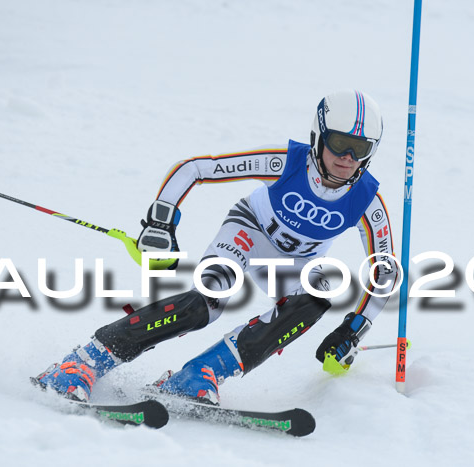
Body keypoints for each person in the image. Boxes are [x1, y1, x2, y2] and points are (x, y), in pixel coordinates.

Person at [33, 90, 397, 404]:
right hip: (250, 231)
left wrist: (354, 329)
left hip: (297, 262)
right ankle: (86, 360)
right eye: (339, 143)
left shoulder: (367, 200)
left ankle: (199, 374)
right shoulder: (287, 162)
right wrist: (161, 221)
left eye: (360, 148)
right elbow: (195, 169)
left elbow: (384, 271)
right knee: (206, 301)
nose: (348, 157)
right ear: (319, 136)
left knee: (315, 298)